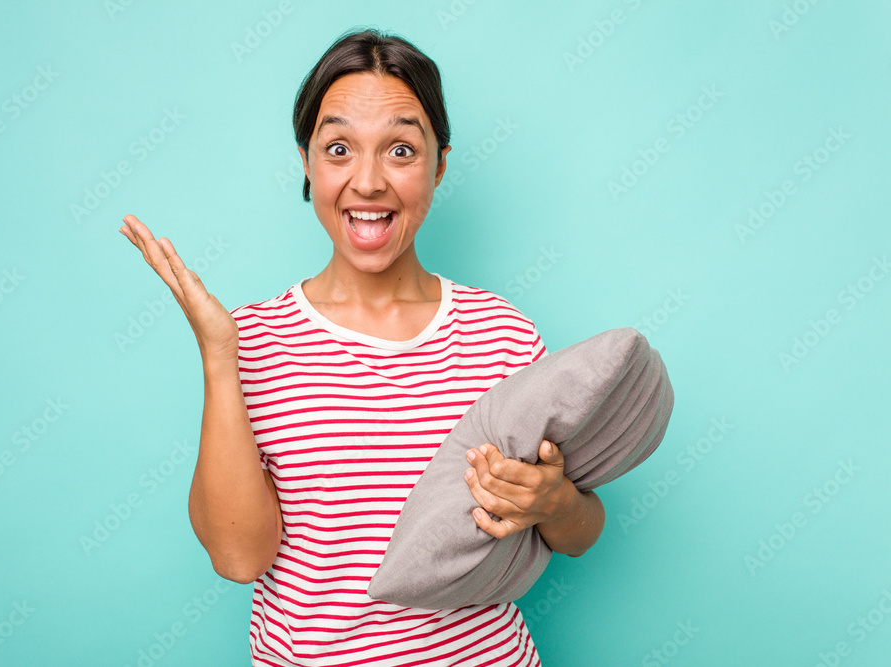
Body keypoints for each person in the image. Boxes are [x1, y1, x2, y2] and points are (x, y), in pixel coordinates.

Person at [120, 27, 604, 667]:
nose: (368, 181)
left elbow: (579, 533)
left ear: (441, 163)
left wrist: (555, 502)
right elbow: (239, 557)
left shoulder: (502, 333)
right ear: (307, 162)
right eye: (340, 148)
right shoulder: (252, 340)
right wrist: (219, 353)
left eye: (401, 149)